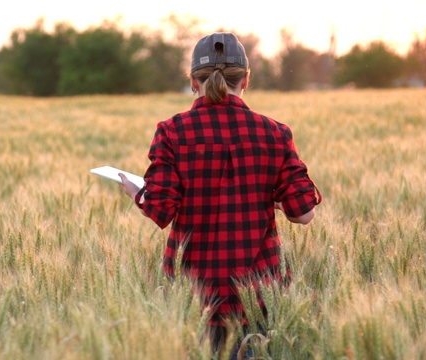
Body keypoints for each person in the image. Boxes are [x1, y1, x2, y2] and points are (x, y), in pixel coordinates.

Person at [119, 32, 322, 358]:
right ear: (245, 80)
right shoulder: (276, 133)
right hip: (258, 295)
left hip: (194, 295)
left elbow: (160, 209)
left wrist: (135, 193)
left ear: (193, 82)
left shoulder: (173, 131)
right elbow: (303, 213)